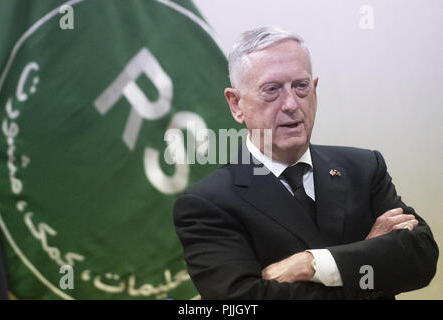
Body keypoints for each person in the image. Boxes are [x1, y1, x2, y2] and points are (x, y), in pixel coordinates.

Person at [172, 26, 438, 299]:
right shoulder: (207, 203)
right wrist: (368, 255)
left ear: (315, 90)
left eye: (301, 86)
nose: (290, 104)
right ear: (236, 104)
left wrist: (313, 263)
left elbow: (421, 256)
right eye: (272, 89)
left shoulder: (364, 167)